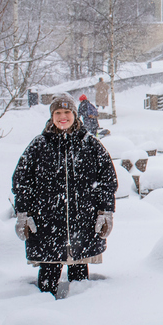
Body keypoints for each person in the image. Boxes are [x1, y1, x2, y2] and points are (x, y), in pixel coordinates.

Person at [12, 94, 117, 297]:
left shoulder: (90, 144)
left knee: (80, 282)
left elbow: (107, 180)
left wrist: (106, 211)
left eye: (67, 112)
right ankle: (43, 317)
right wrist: (23, 212)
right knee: (48, 276)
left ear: (75, 115)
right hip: (47, 225)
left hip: (82, 222)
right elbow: (22, 182)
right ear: (52, 116)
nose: (63, 117)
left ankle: (83, 316)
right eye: (58, 113)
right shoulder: (38, 145)